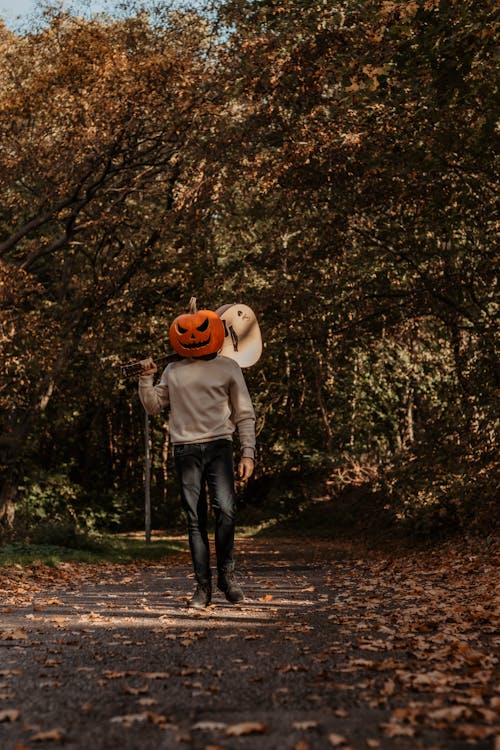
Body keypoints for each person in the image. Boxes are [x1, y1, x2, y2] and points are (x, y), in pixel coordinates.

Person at [138, 312, 255, 609]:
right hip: (185, 450)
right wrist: (145, 378)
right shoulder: (173, 371)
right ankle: (202, 587)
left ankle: (227, 577)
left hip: (219, 447)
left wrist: (248, 452)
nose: (192, 334)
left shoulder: (228, 367)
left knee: (226, 511)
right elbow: (153, 406)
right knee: (195, 520)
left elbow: (244, 413)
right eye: (184, 331)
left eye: (201, 329)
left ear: (214, 332)